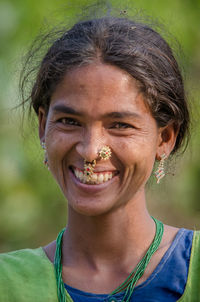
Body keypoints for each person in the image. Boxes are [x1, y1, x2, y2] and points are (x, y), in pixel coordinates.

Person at [0, 15, 199, 302]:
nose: (91, 151)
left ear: (164, 138)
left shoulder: (194, 270)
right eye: (69, 121)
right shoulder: (8, 284)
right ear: (44, 127)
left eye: (120, 125)